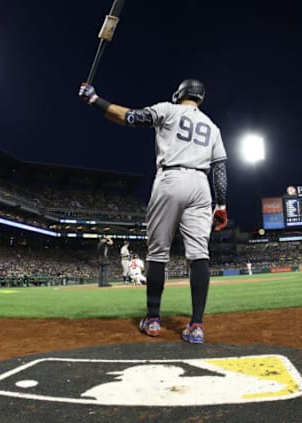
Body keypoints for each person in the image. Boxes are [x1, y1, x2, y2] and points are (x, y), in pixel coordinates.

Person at [79, 78, 228, 344]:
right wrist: (222, 205)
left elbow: (129, 118)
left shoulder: (168, 110)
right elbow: (220, 169)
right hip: (201, 185)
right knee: (199, 255)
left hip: (170, 178)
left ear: (179, 94)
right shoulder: (212, 126)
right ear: (200, 99)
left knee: (158, 252)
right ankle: (196, 326)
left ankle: (154, 319)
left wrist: (94, 100)